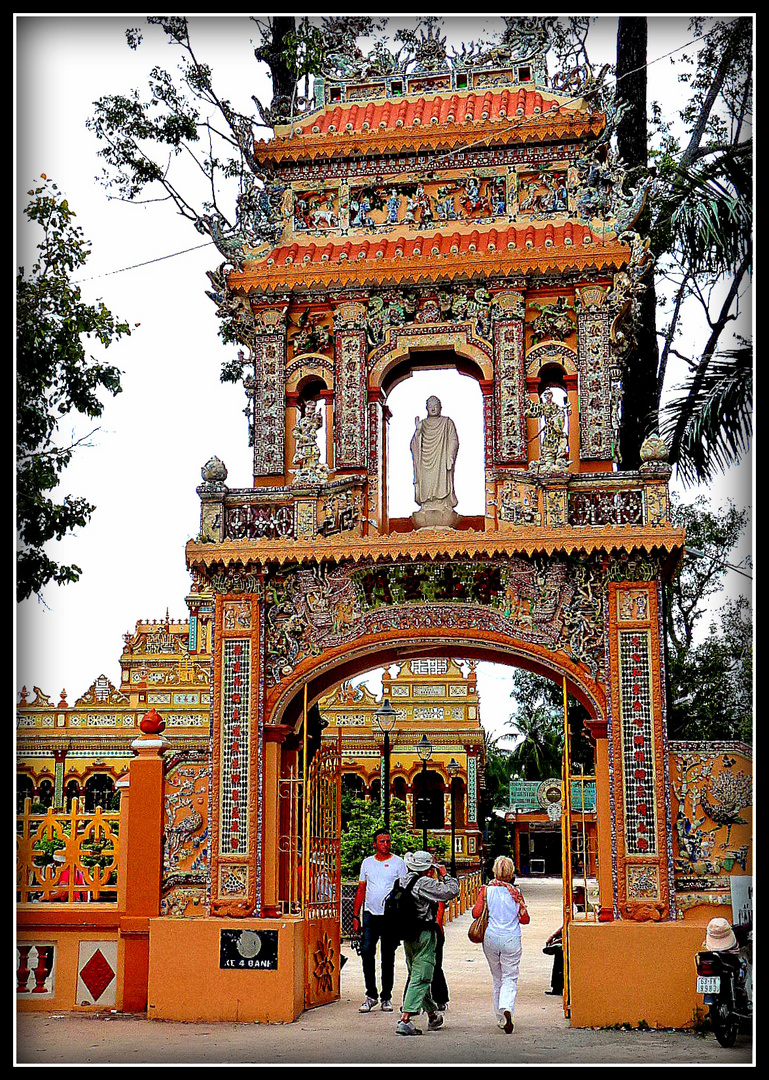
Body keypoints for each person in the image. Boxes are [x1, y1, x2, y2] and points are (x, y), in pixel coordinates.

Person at [396, 850, 459, 1036]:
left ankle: (432, 1015)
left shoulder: (403, 880)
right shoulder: (424, 883)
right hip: (424, 933)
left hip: (408, 933)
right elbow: (451, 891)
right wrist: (446, 875)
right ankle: (405, 1019)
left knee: (416, 972)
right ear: (427, 868)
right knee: (422, 975)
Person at [472, 855, 529, 1034]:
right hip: (511, 938)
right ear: (511, 872)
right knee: (510, 977)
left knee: (497, 977)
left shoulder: (486, 890)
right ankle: (507, 1008)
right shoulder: (516, 893)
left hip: (491, 937)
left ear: (495, 871)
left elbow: (475, 913)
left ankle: (500, 1016)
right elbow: (525, 919)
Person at [352, 828, 407, 1013]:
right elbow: (361, 889)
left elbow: (404, 891)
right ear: (375, 844)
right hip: (370, 913)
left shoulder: (398, 863)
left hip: (390, 916)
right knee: (367, 952)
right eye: (382, 841)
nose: (385, 845)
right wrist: (355, 915)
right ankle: (371, 994)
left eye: (388, 841)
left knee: (387, 956)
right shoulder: (367, 863)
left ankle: (386, 996)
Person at [410, 396, 459, 526]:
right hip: (425, 460)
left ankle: (443, 504)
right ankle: (427, 505)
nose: (433, 408)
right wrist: (418, 432)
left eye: (436, 405)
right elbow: (414, 445)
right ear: (426, 407)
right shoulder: (423, 424)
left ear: (440, 407)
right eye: (430, 405)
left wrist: (450, 456)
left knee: (442, 480)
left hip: (441, 459)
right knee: (426, 481)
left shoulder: (447, 422)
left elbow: (453, 440)